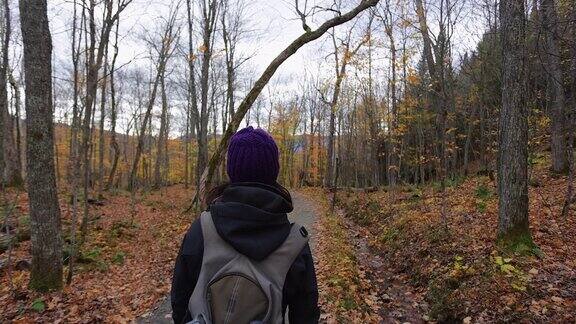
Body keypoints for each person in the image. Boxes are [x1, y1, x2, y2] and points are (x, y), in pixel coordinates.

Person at [171, 126, 320, 324]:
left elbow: (180, 299)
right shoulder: (295, 243)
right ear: (274, 170)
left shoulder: (202, 228)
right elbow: (305, 315)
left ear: (231, 170)